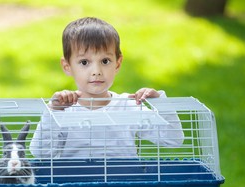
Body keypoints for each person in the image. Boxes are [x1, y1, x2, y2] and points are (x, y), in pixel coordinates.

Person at [29, 17, 184, 159]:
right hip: (75, 186)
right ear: (67, 66)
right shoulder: (63, 109)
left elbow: (173, 139)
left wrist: (160, 103)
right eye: (84, 62)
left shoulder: (129, 106)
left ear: (117, 63)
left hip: (124, 186)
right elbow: (41, 153)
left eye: (105, 61)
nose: (96, 71)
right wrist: (53, 110)